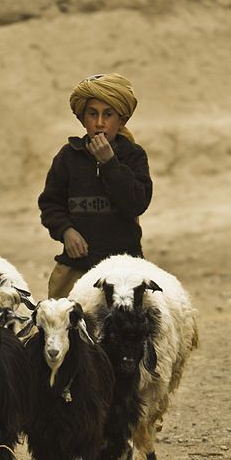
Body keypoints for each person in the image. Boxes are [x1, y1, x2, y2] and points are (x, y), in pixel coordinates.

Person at [38, 73, 153, 299]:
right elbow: (50, 204)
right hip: (77, 265)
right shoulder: (69, 157)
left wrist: (110, 163)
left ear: (121, 120)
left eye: (108, 115)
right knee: (58, 322)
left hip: (124, 266)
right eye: (93, 114)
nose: (100, 122)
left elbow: (136, 204)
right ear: (82, 119)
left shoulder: (132, 156)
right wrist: (66, 231)